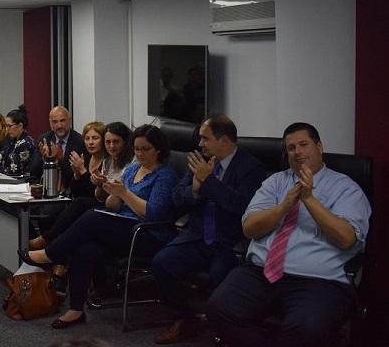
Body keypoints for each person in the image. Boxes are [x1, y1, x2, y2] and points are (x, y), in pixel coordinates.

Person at [207, 122, 370, 347]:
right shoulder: (275, 182)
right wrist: (283, 206)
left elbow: (346, 239)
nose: (297, 152)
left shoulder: (346, 188)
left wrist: (309, 200)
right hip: (261, 272)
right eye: (291, 148)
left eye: (303, 144)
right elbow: (250, 227)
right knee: (219, 309)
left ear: (319, 146)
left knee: (306, 328)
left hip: (319, 280)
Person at [20, 125, 177, 329]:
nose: (140, 153)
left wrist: (125, 194)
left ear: (158, 150)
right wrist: (107, 189)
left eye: (145, 149)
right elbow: (112, 205)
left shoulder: (165, 175)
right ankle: (76, 310)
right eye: (137, 149)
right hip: (124, 227)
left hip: (148, 234)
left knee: (92, 216)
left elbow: (154, 214)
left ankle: (51, 253)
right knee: (83, 247)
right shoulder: (133, 169)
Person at [151, 114, 266, 344]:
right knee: (162, 263)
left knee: (219, 276)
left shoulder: (251, 167)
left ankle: (221, 328)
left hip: (229, 242)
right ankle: (186, 318)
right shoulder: (199, 161)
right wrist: (194, 189)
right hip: (196, 235)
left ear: (224, 140)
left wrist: (209, 182)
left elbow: (243, 206)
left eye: (205, 138)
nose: (200, 144)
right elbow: (176, 198)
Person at [31, 121, 109, 250]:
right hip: (81, 203)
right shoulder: (87, 157)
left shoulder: (107, 161)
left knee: (76, 207)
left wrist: (82, 172)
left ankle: (47, 243)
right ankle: (55, 257)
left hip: (98, 206)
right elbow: (76, 191)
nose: (90, 142)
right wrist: (77, 176)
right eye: (87, 138)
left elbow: (95, 194)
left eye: (95, 138)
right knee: (51, 212)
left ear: (103, 140)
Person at [0, 106, 42, 182]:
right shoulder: (12, 140)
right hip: (7, 179)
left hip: (20, 183)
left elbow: (12, 172)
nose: (7, 129)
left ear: (20, 126)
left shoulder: (25, 144)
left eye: (9, 126)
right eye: (6, 126)